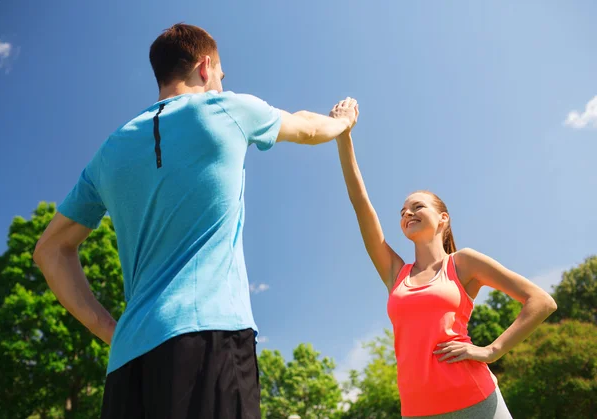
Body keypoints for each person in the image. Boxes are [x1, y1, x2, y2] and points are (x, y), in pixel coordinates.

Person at [33, 23, 357, 419]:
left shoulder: (109, 152)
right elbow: (308, 127)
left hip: (128, 364)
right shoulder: (228, 109)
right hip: (211, 341)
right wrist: (342, 120)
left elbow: (50, 251)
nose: (221, 83)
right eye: (221, 73)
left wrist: (110, 330)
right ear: (205, 67)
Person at [331, 98, 557, 418]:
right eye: (403, 212)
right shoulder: (395, 272)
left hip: (475, 400)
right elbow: (360, 202)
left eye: (418, 207)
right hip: (418, 409)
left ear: (443, 218)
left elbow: (541, 301)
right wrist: (344, 135)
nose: (408, 213)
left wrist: (491, 351)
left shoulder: (463, 264)